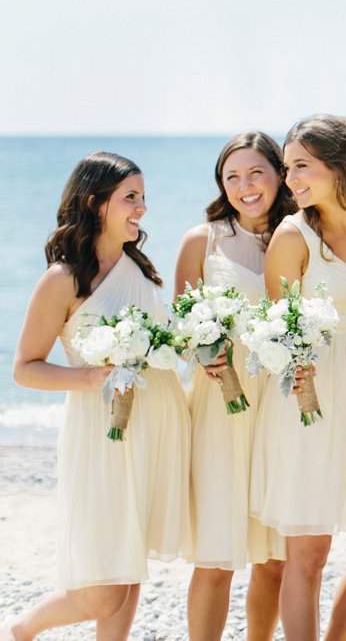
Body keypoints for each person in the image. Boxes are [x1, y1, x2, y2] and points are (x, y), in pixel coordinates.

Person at [4, 153, 189, 641]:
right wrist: (89, 378)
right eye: (130, 197)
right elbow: (25, 368)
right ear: (94, 202)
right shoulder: (63, 279)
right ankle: (20, 629)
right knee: (104, 587)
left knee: (128, 570)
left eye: (143, 197)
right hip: (102, 437)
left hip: (152, 429)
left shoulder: (139, 269)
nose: (142, 208)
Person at [250, 115, 346, 641]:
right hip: (309, 399)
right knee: (308, 554)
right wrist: (297, 368)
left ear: (340, 166)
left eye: (301, 166)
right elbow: (280, 330)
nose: (289, 180)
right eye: (288, 167)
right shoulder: (293, 236)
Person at [175, 132, 294, 641]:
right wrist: (200, 351)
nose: (245, 186)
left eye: (256, 173)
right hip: (219, 410)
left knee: (275, 558)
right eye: (232, 177)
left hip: (280, 406)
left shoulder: (303, 235)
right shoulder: (202, 240)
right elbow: (179, 325)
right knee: (216, 555)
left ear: (279, 174)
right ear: (221, 185)